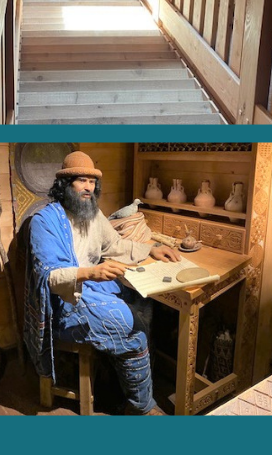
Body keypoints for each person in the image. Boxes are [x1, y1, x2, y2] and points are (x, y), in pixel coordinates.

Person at [24, 151, 180, 416]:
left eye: (92, 182)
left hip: (94, 288)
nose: (88, 187)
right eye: (81, 181)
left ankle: (124, 382)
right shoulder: (44, 222)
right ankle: (141, 406)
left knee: (143, 303)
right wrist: (90, 273)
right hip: (66, 302)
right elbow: (49, 276)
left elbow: (115, 245)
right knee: (130, 325)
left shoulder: (92, 214)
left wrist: (151, 248)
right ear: (65, 185)